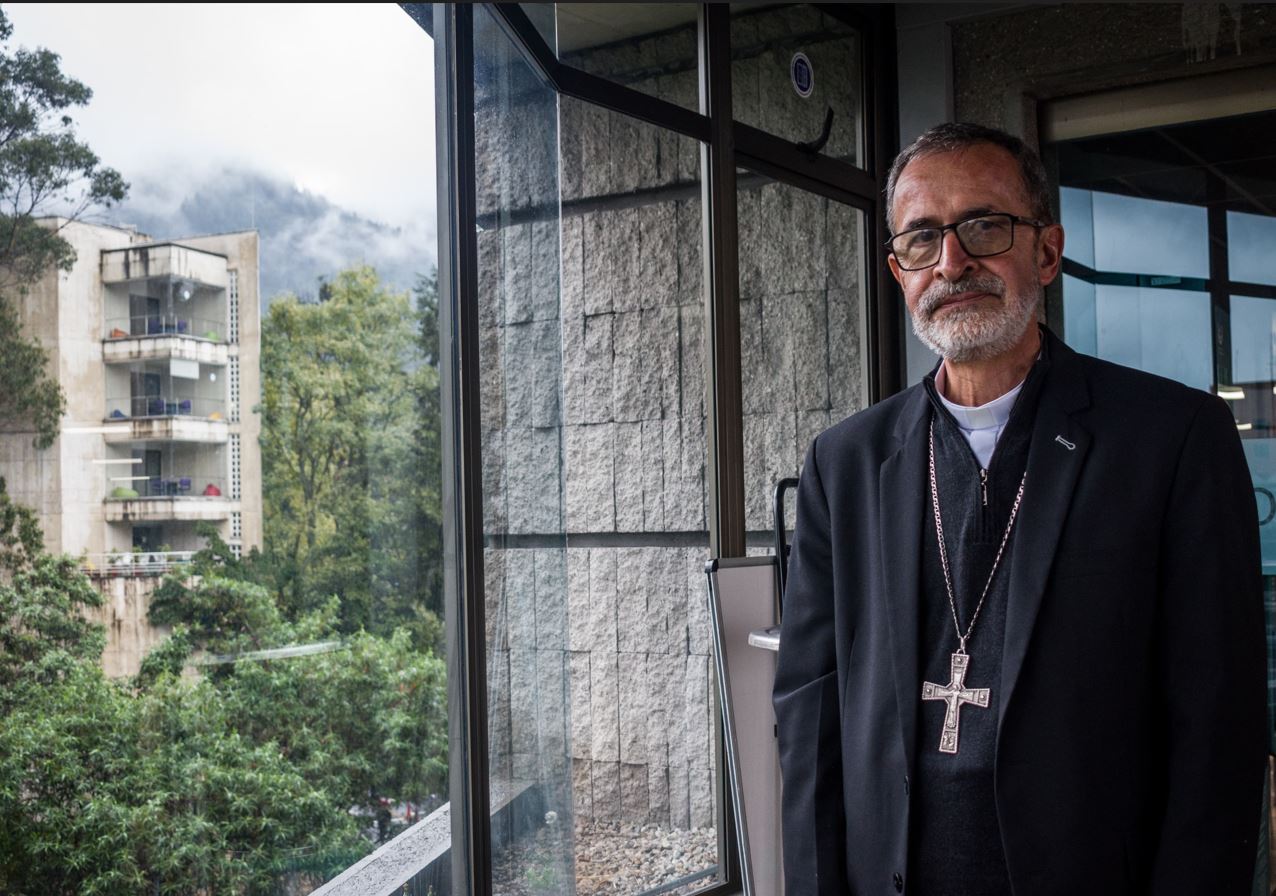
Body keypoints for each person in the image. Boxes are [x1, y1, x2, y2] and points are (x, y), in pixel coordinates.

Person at [772, 122, 1267, 896]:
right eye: (922, 239)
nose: (952, 262)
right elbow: (809, 711)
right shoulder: (846, 461)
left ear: (1046, 251)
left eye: (984, 226)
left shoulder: (1171, 439)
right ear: (898, 271)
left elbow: (1218, 727)